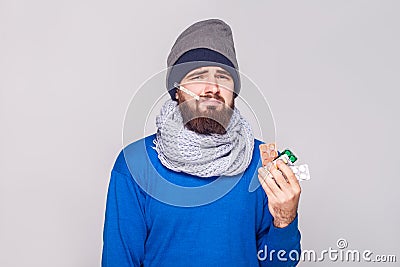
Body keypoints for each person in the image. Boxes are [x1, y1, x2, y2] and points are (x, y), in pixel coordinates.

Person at [102, 18, 302, 267]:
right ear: (177, 90)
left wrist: (285, 219)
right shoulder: (135, 164)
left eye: (223, 77)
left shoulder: (260, 163)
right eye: (198, 76)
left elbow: (279, 264)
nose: (213, 88)